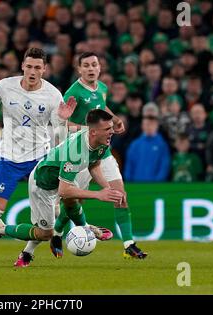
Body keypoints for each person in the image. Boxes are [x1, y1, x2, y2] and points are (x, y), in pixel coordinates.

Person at [0, 47, 77, 267]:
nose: (32, 71)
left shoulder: (53, 94)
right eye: (29, 66)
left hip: (40, 159)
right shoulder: (6, 86)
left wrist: (62, 121)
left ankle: (26, 254)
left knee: (50, 214)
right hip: (9, 157)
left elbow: (58, 133)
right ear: (22, 66)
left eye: (37, 67)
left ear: (44, 69)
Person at [0, 109, 125, 266]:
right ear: (93, 132)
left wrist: (109, 189)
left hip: (60, 178)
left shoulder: (102, 143)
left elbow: (94, 165)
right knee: (44, 233)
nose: (112, 132)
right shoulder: (75, 151)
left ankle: (83, 228)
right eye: (107, 129)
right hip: (43, 184)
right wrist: (98, 194)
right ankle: (1, 228)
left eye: (111, 127)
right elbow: (64, 191)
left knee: (71, 202)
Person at [51, 52, 148, 260]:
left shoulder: (102, 88)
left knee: (119, 195)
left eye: (94, 64)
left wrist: (114, 119)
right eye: (86, 65)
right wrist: (90, 130)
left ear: (99, 67)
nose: (91, 68)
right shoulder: (73, 92)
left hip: (102, 151)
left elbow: (100, 108)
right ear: (79, 70)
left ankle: (129, 244)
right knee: (74, 202)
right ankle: (57, 232)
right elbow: (63, 124)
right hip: (81, 152)